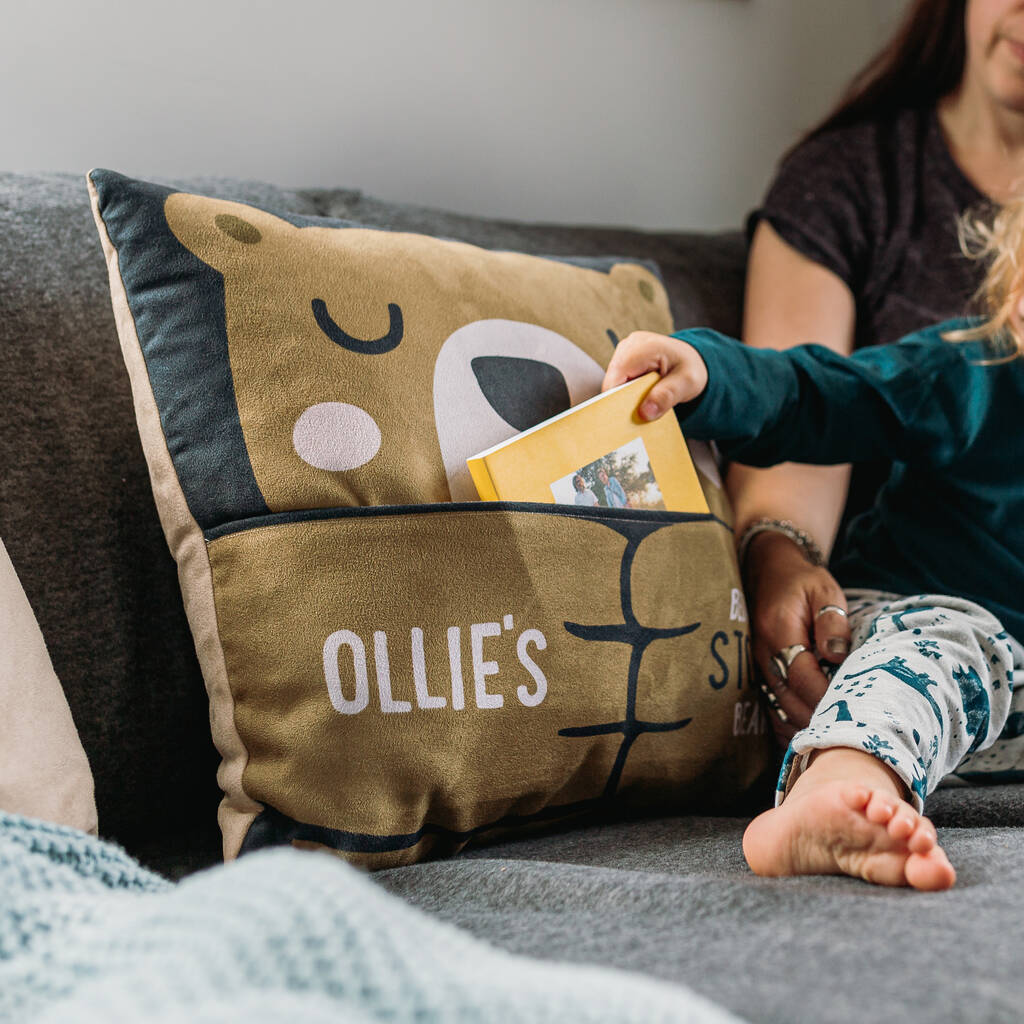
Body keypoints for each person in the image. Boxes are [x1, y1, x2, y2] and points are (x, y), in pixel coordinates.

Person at [600, 193, 1024, 891]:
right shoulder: (962, 375)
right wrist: (707, 374)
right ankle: (836, 790)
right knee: (960, 640)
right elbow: (817, 392)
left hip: (1001, 713)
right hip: (898, 634)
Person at [735, 0, 1024, 741]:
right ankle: (846, 777)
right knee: (948, 645)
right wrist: (778, 555)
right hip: (915, 615)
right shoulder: (855, 182)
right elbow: (805, 400)